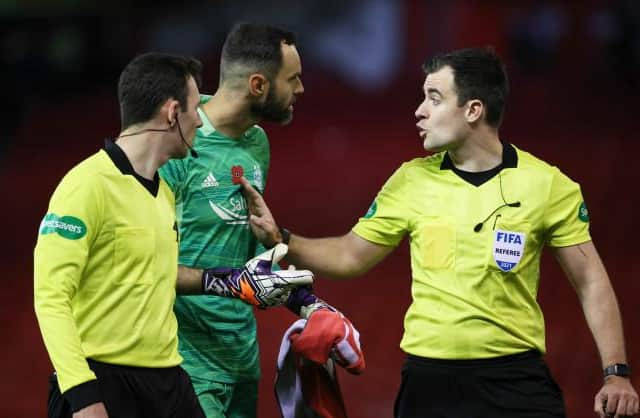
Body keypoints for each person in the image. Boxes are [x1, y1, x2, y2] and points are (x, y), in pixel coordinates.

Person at [240, 47, 639, 418]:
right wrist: (282, 239)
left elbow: (590, 281)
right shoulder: (410, 181)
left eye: (434, 98)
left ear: (473, 110)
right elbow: (350, 255)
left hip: (516, 382)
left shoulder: (547, 185)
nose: (418, 111)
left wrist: (616, 372)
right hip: (429, 386)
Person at [34, 52, 312, 418]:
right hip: (100, 381)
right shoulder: (85, 186)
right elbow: (51, 297)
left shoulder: (163, 192)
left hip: (167, 378)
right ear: (171, 113)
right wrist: (83, 396)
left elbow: (159, 276)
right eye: (195, 108)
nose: (200, 120)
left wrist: (239, 282)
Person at [158, 23, 304, 418]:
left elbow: (251, 248)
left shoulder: (257, 142)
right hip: (187, 362)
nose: (301, 90)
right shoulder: (175, 141)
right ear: (258, 84)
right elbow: (145, 263)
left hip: (241, 361)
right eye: (293, 79)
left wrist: (312, 308)